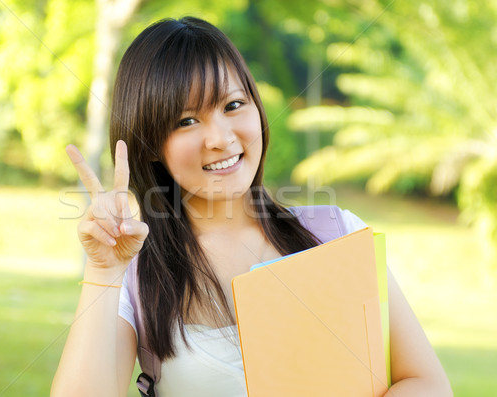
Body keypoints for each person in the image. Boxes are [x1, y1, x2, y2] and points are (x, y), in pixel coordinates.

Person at [51, 16, 452, 397]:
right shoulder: (136, 276)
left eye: (232, 105)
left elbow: (426, 383)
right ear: (151, 143)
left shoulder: (337, 235)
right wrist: (103, 271)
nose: (221, 139)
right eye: (187, 121)